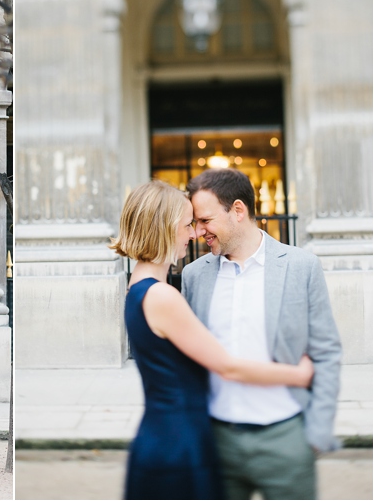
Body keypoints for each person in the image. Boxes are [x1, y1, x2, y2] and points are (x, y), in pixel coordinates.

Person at [110, 180, 315, 500]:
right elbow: (227, 367)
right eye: (187, 225)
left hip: (162, 435)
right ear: (164, 229)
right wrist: (298, 374)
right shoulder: (163, 296)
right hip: (180, 443)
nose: (193, 234)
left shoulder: (136, 287)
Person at [182, 168, 341, 500]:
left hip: (286, 438)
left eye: (205, 220)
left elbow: (326, 351)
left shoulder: (301, 266)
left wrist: (316, 432)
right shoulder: (194, 275)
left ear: (238, 211)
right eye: (196, 223)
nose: (198, 232)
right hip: (217, 440)